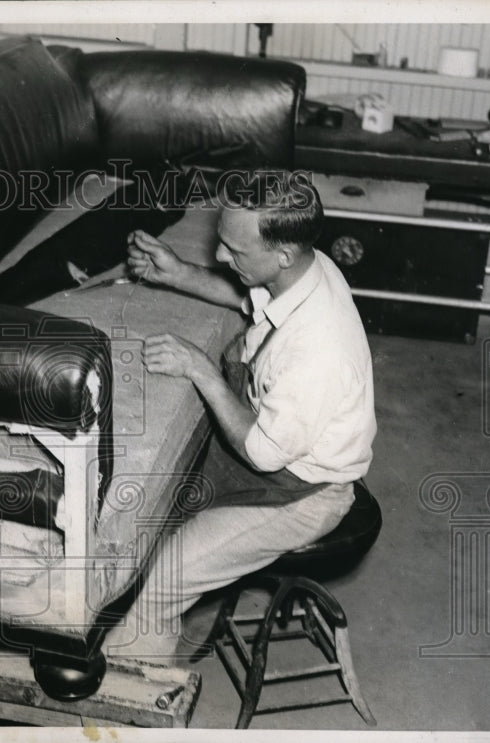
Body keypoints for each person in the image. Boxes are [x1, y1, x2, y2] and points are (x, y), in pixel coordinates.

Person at [104, 173, 376, 662]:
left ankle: (130, 705)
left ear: (283, 254)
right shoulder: (305, 269)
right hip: (280, 447)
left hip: (304, 491)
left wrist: (201, 369)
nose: (222, 258)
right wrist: (177, 272)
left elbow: (262, 453)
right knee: (143, 508)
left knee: (163, 577)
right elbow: (248, 300)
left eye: (235, 250)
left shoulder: (319, 350)